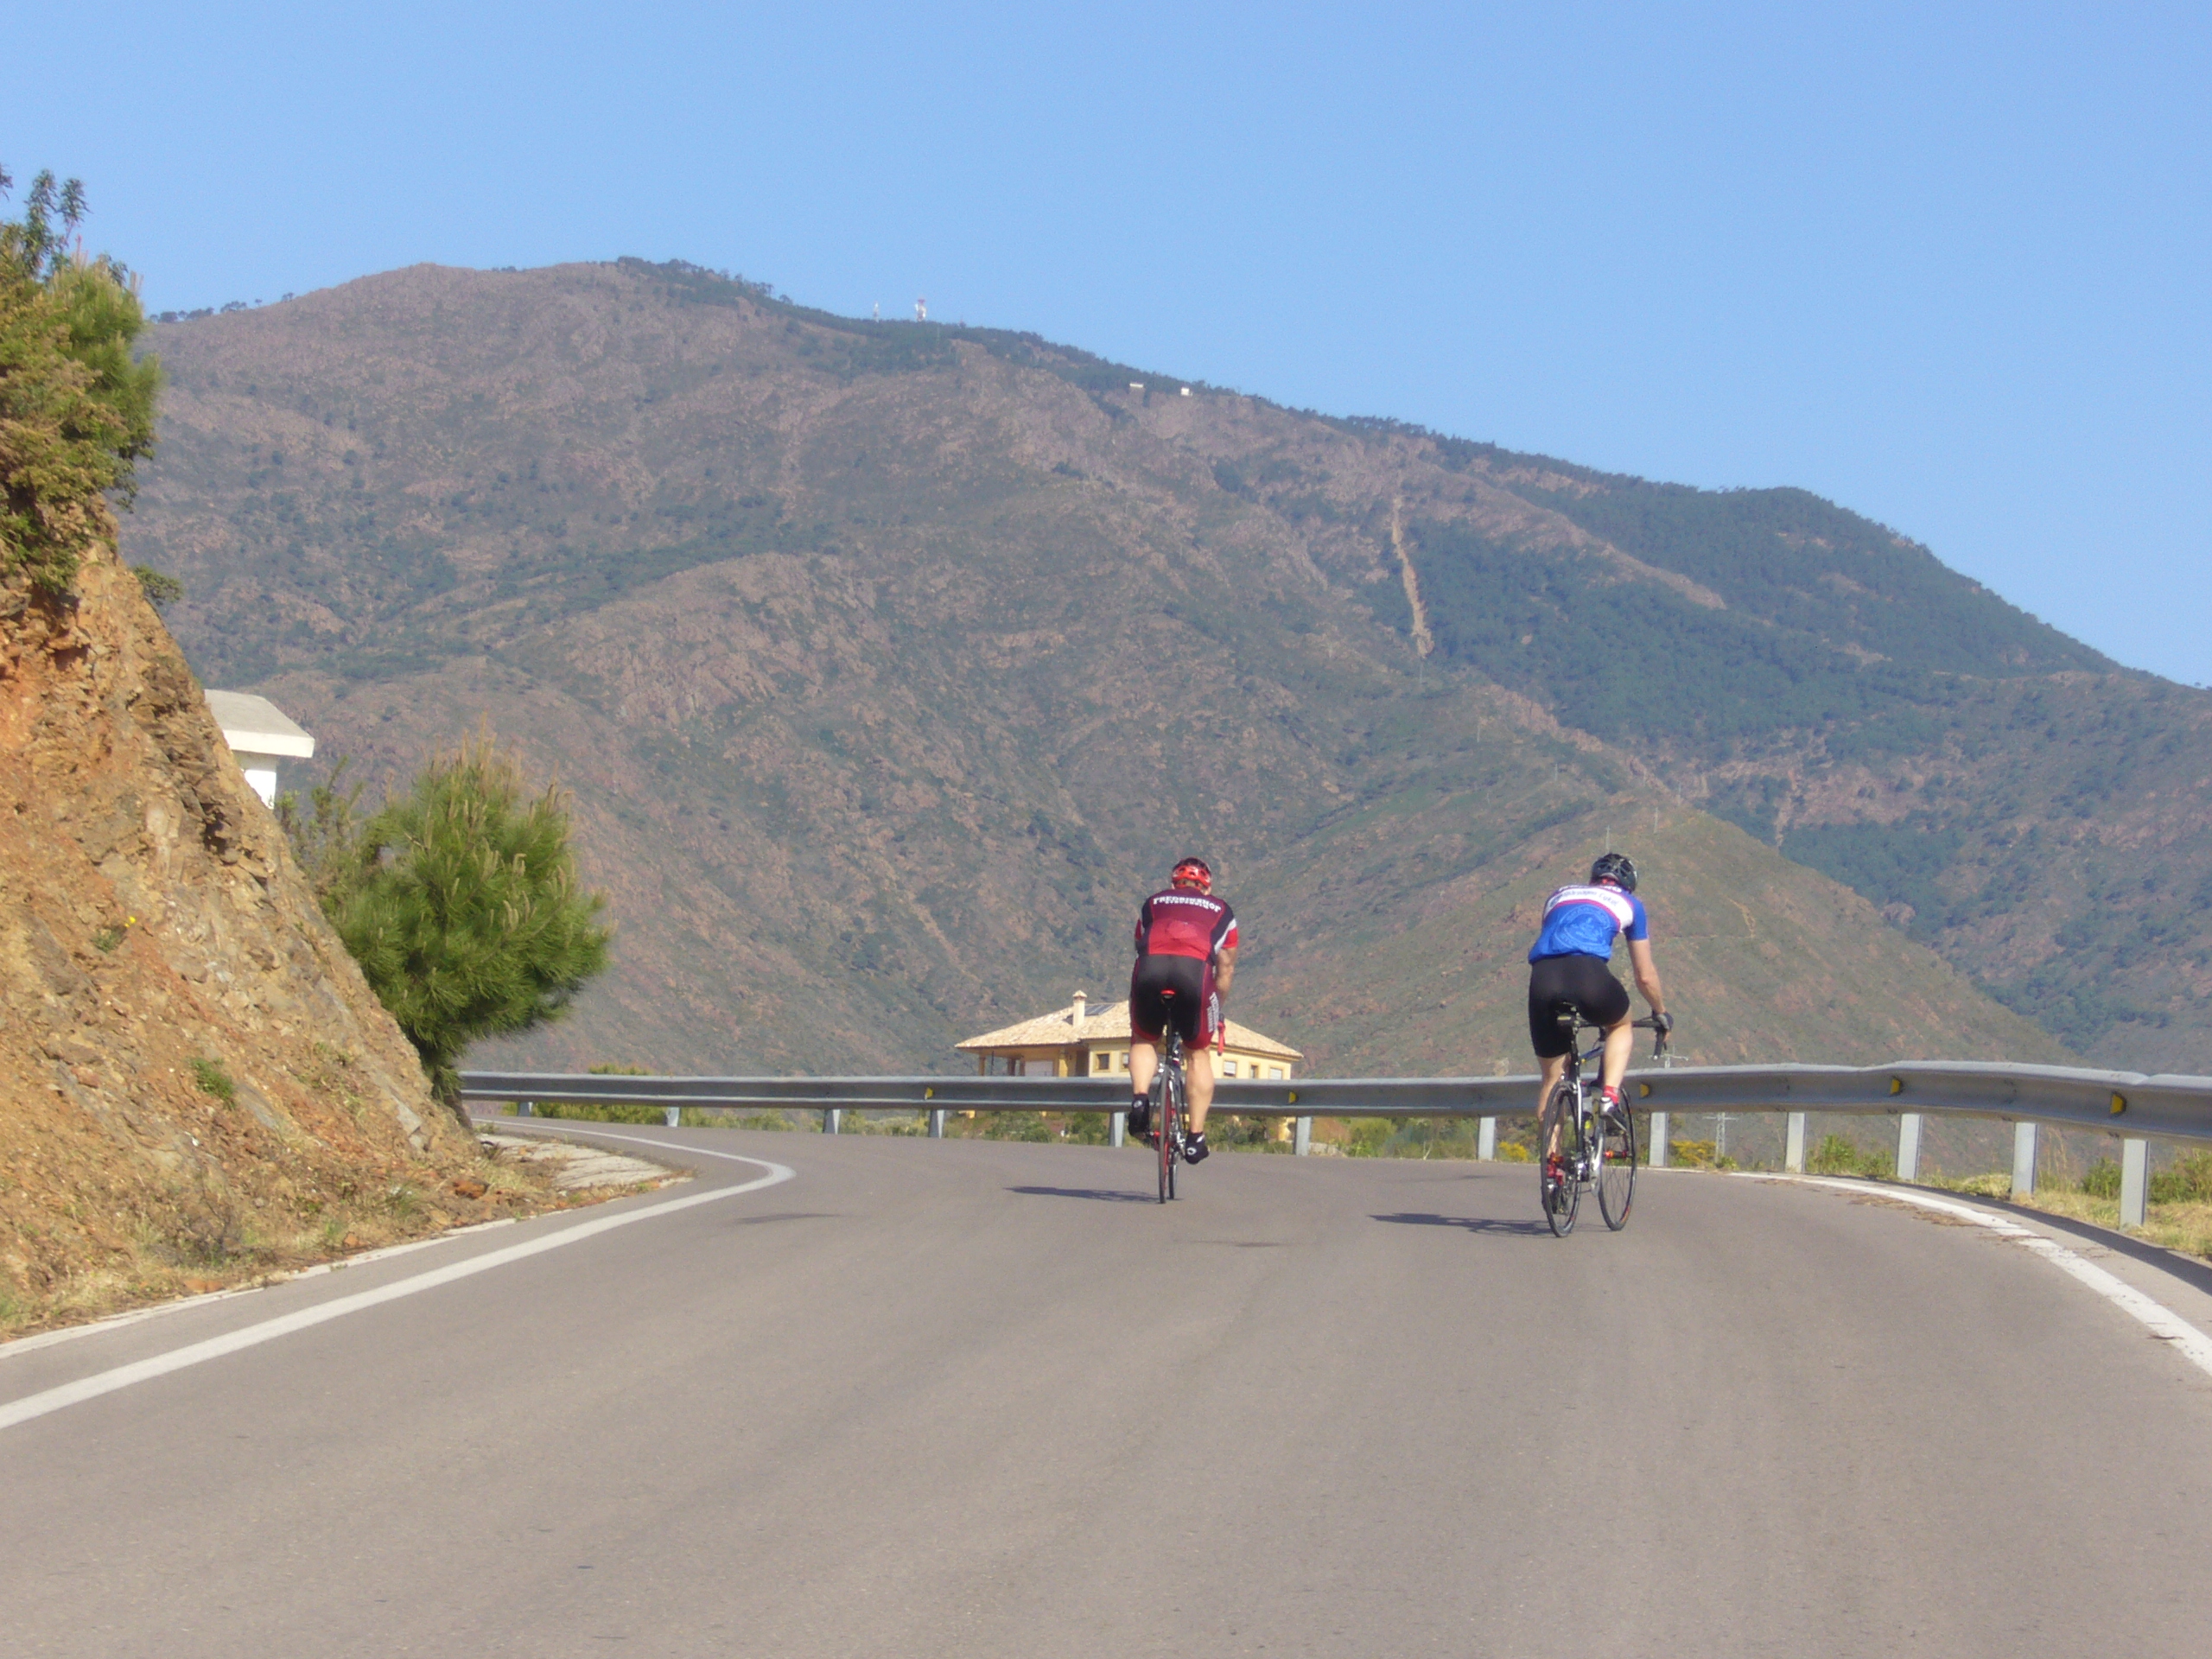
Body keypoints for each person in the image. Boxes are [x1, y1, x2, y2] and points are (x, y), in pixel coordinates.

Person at [1527, 851, 1671, 1170]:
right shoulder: (1632, 904)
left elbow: (1555, 938)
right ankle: (1609, 1096)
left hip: (1542, 979)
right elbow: (1644, 975)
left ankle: (1553, 1172)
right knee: (1620, 1025)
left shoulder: (1559, 894)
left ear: (1593, 878)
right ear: (1628, 885)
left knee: (1552, 1078)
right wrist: (1660, 1011)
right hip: (1589, 974)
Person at [1125, 856, 1238, 1164]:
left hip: (1150, 969)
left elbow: (1140, 944)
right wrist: (1216, 1006)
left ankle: (1139, 1100)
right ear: (1207, 886)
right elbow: (1225, 970)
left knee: (1144, 1038)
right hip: (1194, 975)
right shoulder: (1222, 911)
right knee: (1197, 1051)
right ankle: (1195, 1138)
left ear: (1175, 882)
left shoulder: (1152, 903)